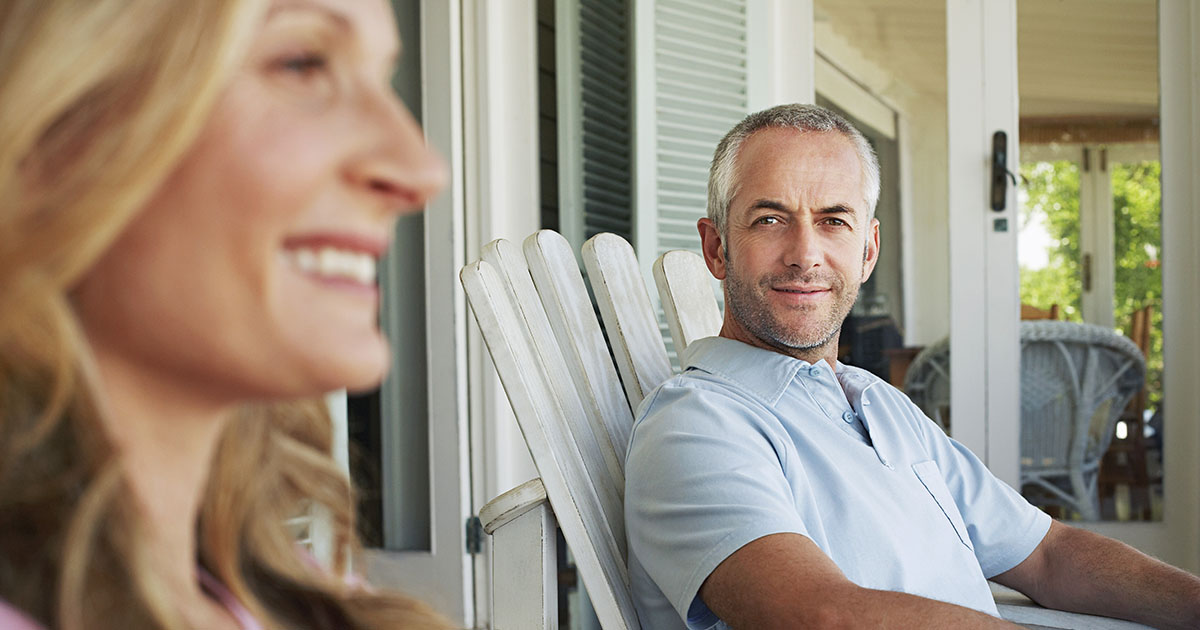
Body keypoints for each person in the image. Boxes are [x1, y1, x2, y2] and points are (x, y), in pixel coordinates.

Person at [623, 103, 1200, 630]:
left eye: (834, 220)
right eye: (770, 219)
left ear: (868, 251)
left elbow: (1048, 554)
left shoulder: (877, 403)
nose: (805, 254)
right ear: (716, 248)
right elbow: (819, 616)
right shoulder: (696, 424)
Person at [0, 1, 448, 628]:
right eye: (302, 63)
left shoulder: (298, 599)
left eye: (381, 79)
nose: (422, 171)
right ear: (52, 128)